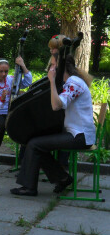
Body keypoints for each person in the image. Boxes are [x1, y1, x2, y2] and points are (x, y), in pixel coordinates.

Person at [10, 53, 95, 196]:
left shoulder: (74, 82)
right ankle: (62, 178)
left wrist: (51, 81)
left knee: (35, 144)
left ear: (60, 67)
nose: (50, 68)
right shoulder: (71, 82)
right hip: (75, 133)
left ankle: (30, 187)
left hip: (81, 136)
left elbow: (56, 105)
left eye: (53, 65)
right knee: (35, 143)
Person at [0, 57, 32, 170]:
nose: (3, 74)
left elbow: (27, 82)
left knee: (26, 126)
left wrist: (23, 66)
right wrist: (1, 99)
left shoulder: (11, 79)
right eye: (0, 71)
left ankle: (24, 160)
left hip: (12, 112)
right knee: (2, 125)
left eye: (6, 71)